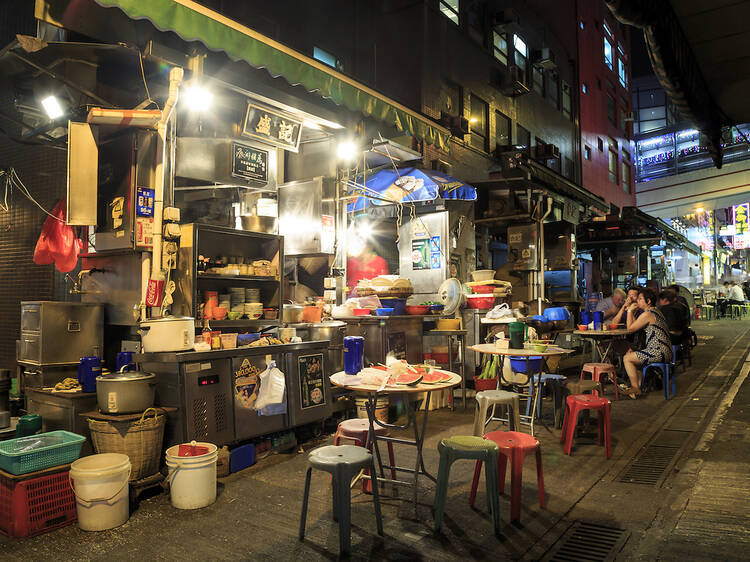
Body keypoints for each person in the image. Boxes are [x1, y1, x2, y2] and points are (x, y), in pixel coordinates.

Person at [620, 287, 673, 399]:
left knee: (627, 358)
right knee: (635, 356)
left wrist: (629, 311)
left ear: (648, 301)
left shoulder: (648, 314)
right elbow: (635, 325)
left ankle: (634, 387)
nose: (637, 301)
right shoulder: (655, 311)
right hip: (665, 350)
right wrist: (632, 313)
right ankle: (638, 387)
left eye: (640, 299)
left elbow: (630, 328)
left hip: (659, 351)